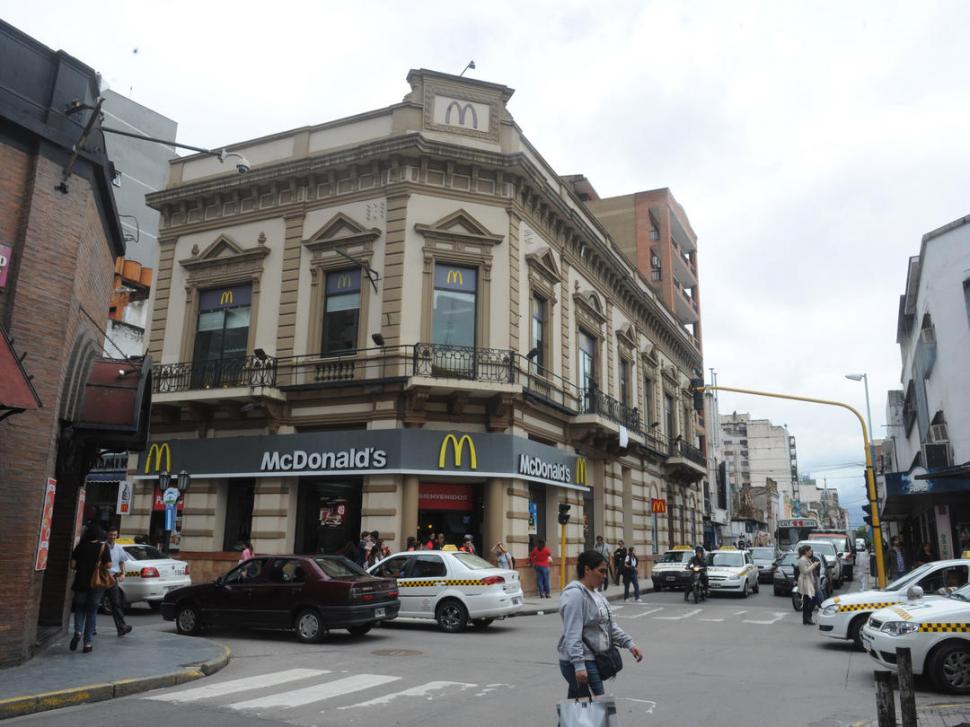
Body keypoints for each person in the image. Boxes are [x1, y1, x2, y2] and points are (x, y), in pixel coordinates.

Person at [558, 550, 643, 698]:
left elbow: (609, 627)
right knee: (598, 709)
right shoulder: (575, 595)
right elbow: (572, 633)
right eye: (601, 571)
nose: (604, 576)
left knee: (578, 711)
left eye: (606, 572)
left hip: (592, 659)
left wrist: (629, 644)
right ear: (587, 569)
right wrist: (579, 665)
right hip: (582, 661)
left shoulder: (597, 596)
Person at [69, 525, 111, 653]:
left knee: (79, 609)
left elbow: (73, 565)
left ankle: (77, 631)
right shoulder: (103, 547)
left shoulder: (80, 546)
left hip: (81, 582)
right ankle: (87, 643)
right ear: (98, 535)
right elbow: (108, 565)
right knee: (92, 611)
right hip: (96, 584)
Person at [104, 528, 134, 636]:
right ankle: (91, 628)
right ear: (107, 535)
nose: (113, 537)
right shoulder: (102, 546)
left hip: (113, 578)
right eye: (111, 534)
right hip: (101, 578)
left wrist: (123, 573)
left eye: (115, 535)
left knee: (116, 603)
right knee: (94, 603)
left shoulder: (119, 548)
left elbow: (122, 562)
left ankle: (121, 627)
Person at [797, 544, 820, 625]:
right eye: (810, 551)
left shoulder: (807, 559)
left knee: (808, 600)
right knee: (812, 599)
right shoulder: (802, 560)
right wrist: (814, 565)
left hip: (809, 581)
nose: (811, 552)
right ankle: (807, 617)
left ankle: (806, 618)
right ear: (806, 552)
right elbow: (805, 571)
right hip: (805, 582)